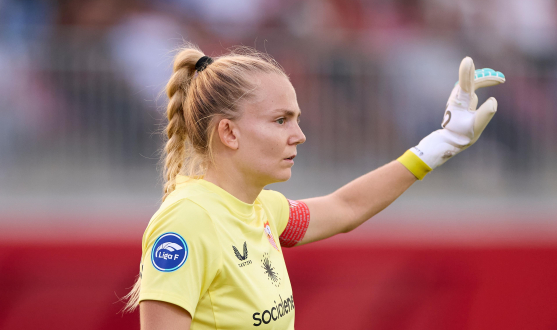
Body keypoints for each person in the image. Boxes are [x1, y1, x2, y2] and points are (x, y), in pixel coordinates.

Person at [123, 44, 504, 330]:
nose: (300, 135)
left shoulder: (263, 209)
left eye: (297, 119)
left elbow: (346, 208)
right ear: (229, 132)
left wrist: (441, 143)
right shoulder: (188, 220)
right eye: (281, 120)